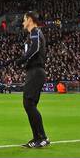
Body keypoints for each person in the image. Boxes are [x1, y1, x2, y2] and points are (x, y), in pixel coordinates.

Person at [18, 11, 49, 149]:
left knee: (28, 104)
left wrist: (23, 59)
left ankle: (42, 137)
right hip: (34, 71)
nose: (23, 22)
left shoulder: (35, 32)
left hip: (36, 71)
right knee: (28, 104)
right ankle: (38, 137)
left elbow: (35, 48)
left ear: (30, 20)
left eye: (24, 20)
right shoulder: (34, 34)